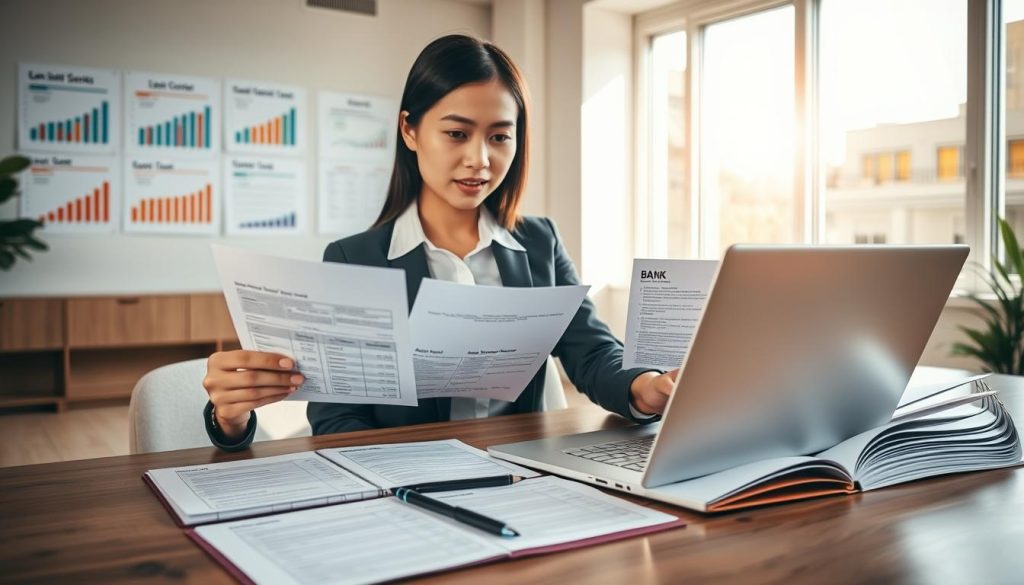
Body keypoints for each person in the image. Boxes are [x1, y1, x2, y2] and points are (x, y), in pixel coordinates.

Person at [202, 34, 678, 451]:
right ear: (410, 130)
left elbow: (592, 353)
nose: (480, 159)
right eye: (456, 133)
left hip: (523, 478)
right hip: (407, 489)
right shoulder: (354, 259)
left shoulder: (539, 242)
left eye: (499, 137)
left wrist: (646, 386)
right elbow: (337, 421)